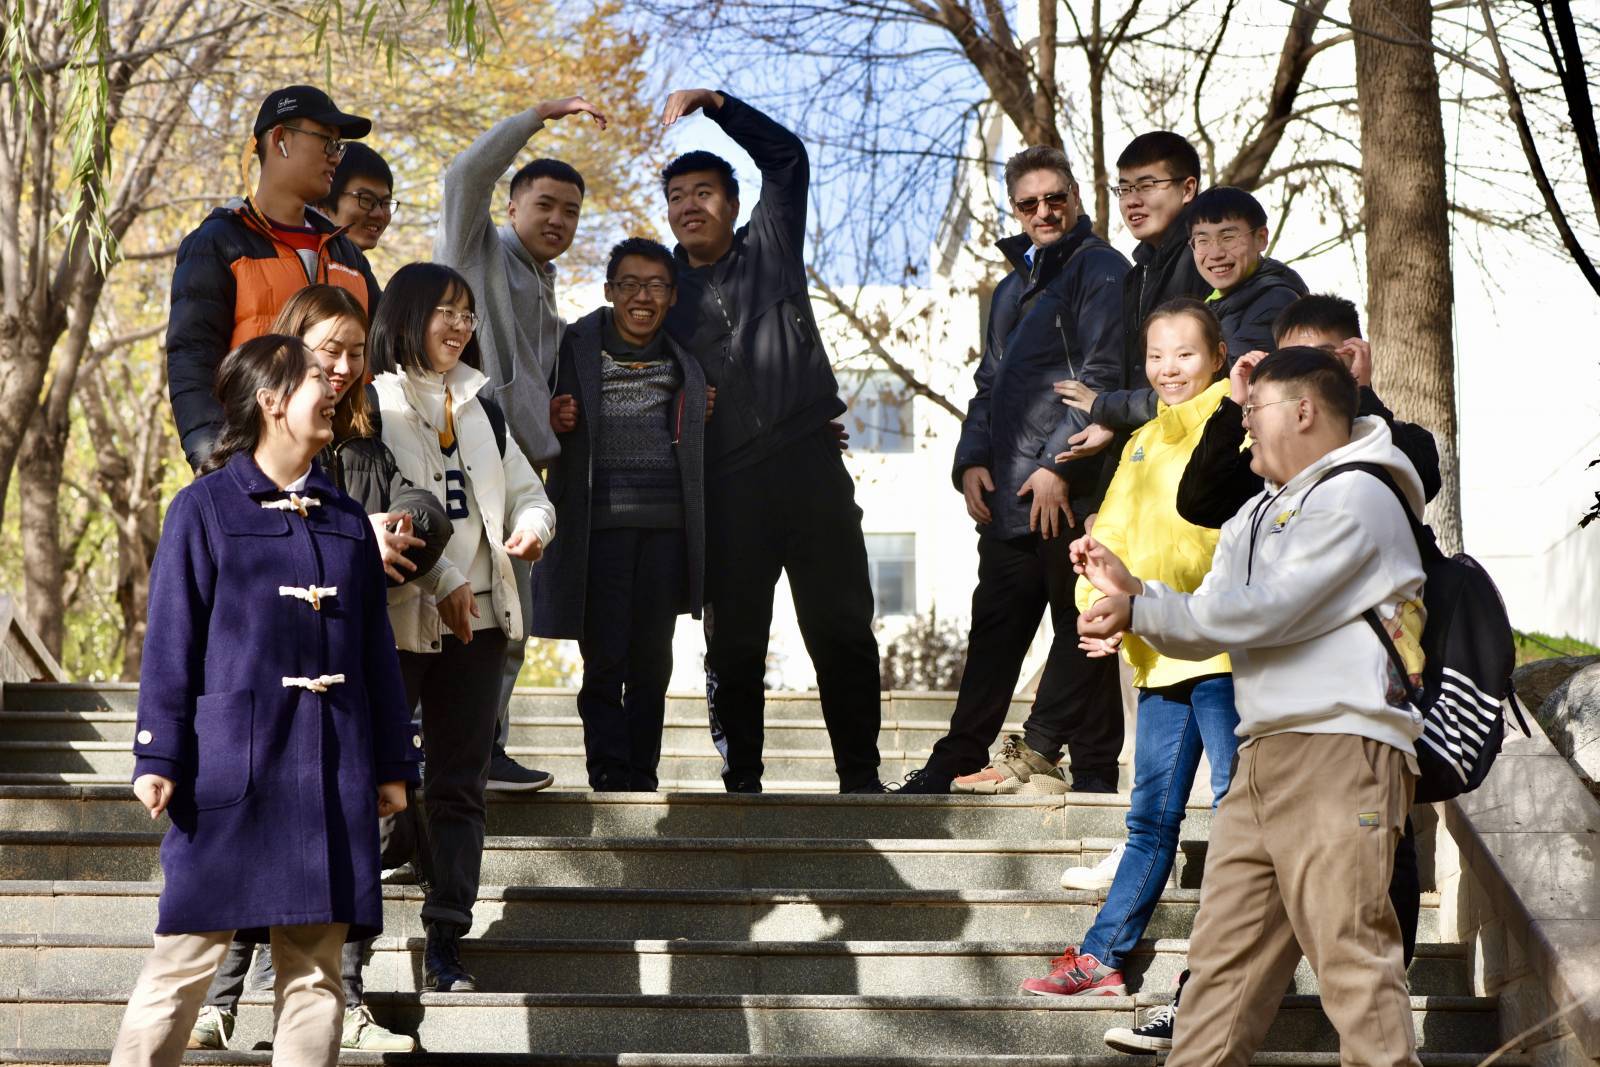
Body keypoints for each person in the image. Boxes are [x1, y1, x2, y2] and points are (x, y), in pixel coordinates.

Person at [1076, 346, 1427, 1067]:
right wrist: (1133, 593)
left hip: (1340, 747)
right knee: (1219, 976)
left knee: (1352, 962)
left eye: (1253, 408)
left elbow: (1272, 609)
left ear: (1303, 410)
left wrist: (1140, 612)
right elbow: (1215, 609)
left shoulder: (1361, 494)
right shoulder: (1257, 511)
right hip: (1260, 751)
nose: (1242, 426)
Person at [112, 334, 420, 1065]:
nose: (336, 386)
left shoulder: (346, 520)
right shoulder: (204, 508)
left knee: (315, 975)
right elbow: (171, 642)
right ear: (271, 400)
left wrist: (389, 761)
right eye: (318, 376)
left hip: (331, 774)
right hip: (230, 771)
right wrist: (158, 749)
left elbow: (376, 656)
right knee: (181, 961)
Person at [185, 286, 446, 1053]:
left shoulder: (365, 440)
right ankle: (220, 999)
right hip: (260, 690)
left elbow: (421, 509)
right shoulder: (234, 466)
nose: (342, 366)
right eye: (327, 349)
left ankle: (349, 1003)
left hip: (345, 672)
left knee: (344, 857)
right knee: (246, 848)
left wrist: (388, 539)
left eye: (355, 352)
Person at [658, 88, 882, 794]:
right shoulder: (660, 294)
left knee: (843, 627)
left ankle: (860, 777)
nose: (690, 205)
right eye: (676, 196)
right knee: (734, 643)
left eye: (704, 192)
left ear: (732, 201)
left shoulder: (772, 246)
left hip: (809, 462)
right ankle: (743, 781)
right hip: (727, 483)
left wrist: (719, 106)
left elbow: (786, 159)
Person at [1018, 300, 1239, 1007]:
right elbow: (1107, 538)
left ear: (1218, 357)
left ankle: (1216, 977)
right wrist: (1098, 609)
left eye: (1184, 354)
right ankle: (1101, 956)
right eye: (1156, 355)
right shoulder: (1140, 438)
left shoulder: (1233, 421)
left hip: (1228, 659)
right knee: (1149, 820)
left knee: (1241, 821)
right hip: (1158, 657)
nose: (1168, 368)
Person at [896, 144, 1128, 796]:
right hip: (1006, 500)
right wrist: (969, 460)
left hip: (1070, 490)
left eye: (1055, 198)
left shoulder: (1100, 269)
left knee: (1081, 630)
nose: (1044, 211)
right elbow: (988, 383)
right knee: (995, 633)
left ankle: (1096, 775)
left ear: (1075, 197)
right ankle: (955, 759)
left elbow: (1102, 375)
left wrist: (1059, 465)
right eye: (1029, 203)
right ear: (1015, 209)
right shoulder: (1009, 289)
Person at [368, 262, 556, 992]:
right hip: (400, 617)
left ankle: (447, 936)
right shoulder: (373, 403)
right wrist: (442, 580)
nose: (459, 325)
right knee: (379, 774)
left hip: (479, 621)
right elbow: (380, 504)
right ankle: (351, 927)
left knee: (460, 786)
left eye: (468, 314)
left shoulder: (482, 406)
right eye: (445, 311)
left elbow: (527, 491)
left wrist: (534, 527)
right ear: (407, 316)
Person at [433, 95, 607, 792]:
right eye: (546, 205)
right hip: (455, 457)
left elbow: (525, 380)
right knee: (454, 610)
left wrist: (549, 412)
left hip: (518, 474)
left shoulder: (546, 286)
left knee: (512, 618)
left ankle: (484, 747)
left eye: (571, 211)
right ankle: (436, 745)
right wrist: (537, 115)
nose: (558, 220)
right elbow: (461, 179)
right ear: (511, 208)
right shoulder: (474, 249)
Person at [531, 237, 710, 790]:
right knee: (605, 654)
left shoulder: (685, 356)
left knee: (652, 659)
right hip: (596, 527)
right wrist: (551, 413)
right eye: (629, 284)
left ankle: (642, 770)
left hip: (665, 529)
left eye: (656, 286)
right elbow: (533, 399)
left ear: (671, 296)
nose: (642, 296)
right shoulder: (574, 344)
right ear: (609, 291)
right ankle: (607, 768)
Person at [167, 85, 381, 471]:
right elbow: (192, 362)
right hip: (255, 476)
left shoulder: (346, 254)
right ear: (280, 140)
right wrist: (220, 470)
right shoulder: (219, 243)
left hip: (345, 484)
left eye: (339, 146)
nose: (336, 157)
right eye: (327, 142)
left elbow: (382, 359)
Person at [1053, 131, 1207, 465]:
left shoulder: (1206, 264)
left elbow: (1198, 385)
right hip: (1144, 460)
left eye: (1147, 185)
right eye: (1124, 189)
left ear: (1188, 189)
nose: (1131, 201)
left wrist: (1105, 409)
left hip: (1190, 462)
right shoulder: (1138, 274)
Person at [319, 142, 398, 257]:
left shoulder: (359, 271)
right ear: (323, 205)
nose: (379, 214)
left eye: (386, 203)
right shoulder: (303, 264)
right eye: (366, 199)